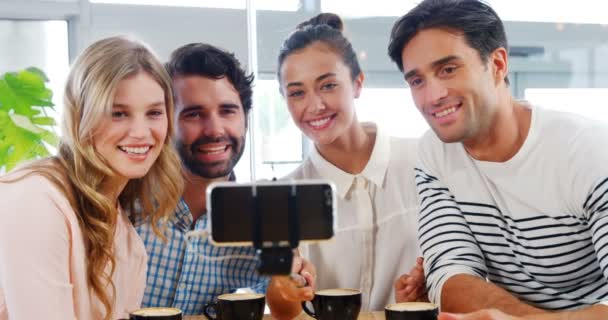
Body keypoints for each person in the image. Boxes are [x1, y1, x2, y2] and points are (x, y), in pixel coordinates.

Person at [387, 0, 608, 319]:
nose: (432, 96)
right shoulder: (435, 152)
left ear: (498, 64)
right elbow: (449, 279)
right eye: (417, 81)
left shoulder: (588, 150)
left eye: (448, 69)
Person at [0, 36, 183, 320]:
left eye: (154, 113)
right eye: (118, 113)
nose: (141, 132)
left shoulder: (124, 234)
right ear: (81, 116)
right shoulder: (36, 200)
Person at [135, 43, 314, 316]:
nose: (215, 130)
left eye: (228, 111)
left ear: (245, 119)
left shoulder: (263, 217)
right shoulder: (123, 203)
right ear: (166, 121)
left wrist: (289, 282)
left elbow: (283, 309)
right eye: (194, 114)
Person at [268, 13, 424, 317]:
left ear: (357, 83)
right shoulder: (282, 196)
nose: (314, 106)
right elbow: (281, 308)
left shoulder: (424, 162)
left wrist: (428, 285)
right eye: (297, 92)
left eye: (328, 85)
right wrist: (288, 286)